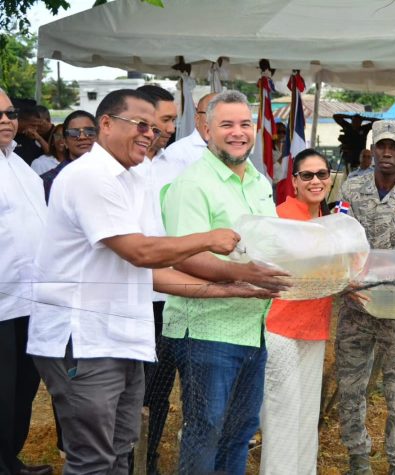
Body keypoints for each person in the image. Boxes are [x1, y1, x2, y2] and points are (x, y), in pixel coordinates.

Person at [27, 89, 280, 475]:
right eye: (140, 125)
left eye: (156, 126)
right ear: (106, 124)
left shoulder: (137, 176)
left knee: (120, 452)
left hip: (125, 336)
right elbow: (140, 253)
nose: (150, 134)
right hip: (82, 338)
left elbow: (155, 270)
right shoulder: (90, 176)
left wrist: (233, 288)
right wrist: (210, 240)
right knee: (93, 460)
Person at [161, 90, 290, 475]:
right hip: (206, 329)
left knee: (241, 432)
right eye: (227, 125)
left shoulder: (259, 181)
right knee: (206, 431)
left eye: (245, 124)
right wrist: (244, 273)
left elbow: (270, 245)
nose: (238, 133)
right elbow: (184, 254)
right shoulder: (192, 183)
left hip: (254, 327)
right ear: (206, 129)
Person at [336, 120, 395, 475]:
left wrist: (364, 267)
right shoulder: (352, 189)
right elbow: (342, 242)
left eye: (394, 147)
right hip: (356, 307)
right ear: (372, 149)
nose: (387, 153)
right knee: (350, 387)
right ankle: (358, 459)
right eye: (381, 146)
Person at [259, 149, 334, 475]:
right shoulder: (281, 216)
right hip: (281, 328)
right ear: (294, 181)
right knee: (282, 416)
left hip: (314, 329)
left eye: (322, 174)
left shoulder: (327, 222)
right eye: (308, 175)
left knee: (306, 416)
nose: (316, 181)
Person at [0, 89, 52, 475]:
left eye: (10, 113)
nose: (6, 120)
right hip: (1, 303)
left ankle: (9, 459)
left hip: (31, 301)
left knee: (22, 389)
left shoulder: (19, 164)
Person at [131, 84, 180, 475]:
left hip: (168, 297)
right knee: (128, 389)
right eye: (164, 120)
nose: (167, 129)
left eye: (171, 122)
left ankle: (148, 456)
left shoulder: (176, 166)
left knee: (159, 387)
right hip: (127, 297)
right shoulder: (120, 169)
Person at [40, 110, 97, 202]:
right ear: (65, 142)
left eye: (89, 131)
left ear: (98, 137)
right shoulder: (50, 181)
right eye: (74, 133)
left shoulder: (115, 172)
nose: (82, 137)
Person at [162, 92, 217, 167]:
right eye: (212, 115)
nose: (219, 121)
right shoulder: (177, 152)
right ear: (197, 119)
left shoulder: (233, 148)